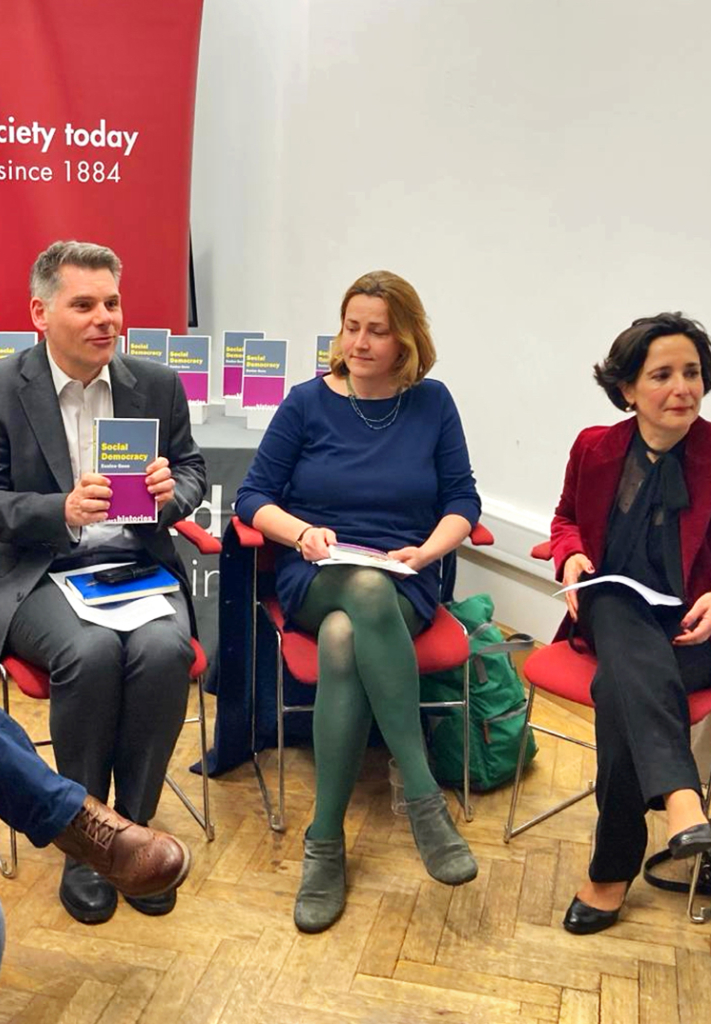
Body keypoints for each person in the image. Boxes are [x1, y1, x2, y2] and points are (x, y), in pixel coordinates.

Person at [0, 241, 206, 922]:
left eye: (112, 303)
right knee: (90, 652)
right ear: (41, 313)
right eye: (85, 304)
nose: (105, 319)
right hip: (38, 571)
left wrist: (169, 494)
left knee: (164, 651)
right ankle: (87, 843)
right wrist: (58, 511)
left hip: (135, 565)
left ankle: (135, 835)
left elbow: (191, 472)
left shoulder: (156, 384)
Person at [549, 311, 711, 935]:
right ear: (627, 389)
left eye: (692, 373)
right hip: (615, 610)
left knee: (619, 688)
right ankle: (681, 799)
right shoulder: (595, 448)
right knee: (613, 603)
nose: (682, 389)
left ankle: (612, 872)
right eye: (662, 375)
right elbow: (566, 518)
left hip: (699, 632)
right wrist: (570, 554)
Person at [236, 270, 482, 933]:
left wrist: (426, 552)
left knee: (346, 637)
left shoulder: (432, 403)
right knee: (356, 597)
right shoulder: (305, 404)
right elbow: (253, 498)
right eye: (352, 327)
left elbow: (463, 500)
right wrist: (301, 533)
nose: (361, 342)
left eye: (377, 331)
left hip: (405, 576)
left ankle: (324, 840)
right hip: (317, 574)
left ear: (406, 340)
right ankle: (423, 797)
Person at [0, 610, 190, 1023]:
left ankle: (117, 818)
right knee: (90, 652)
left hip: (139, 587)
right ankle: (74, 822)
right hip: (31, 587)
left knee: (163, 650)